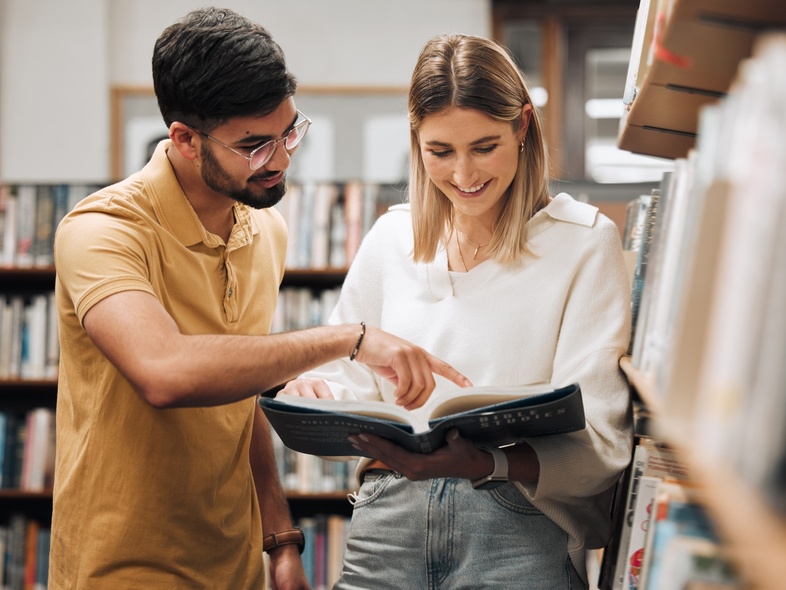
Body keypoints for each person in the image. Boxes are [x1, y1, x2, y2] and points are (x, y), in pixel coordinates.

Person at [48, 8, 469, 590]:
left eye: (290, 132)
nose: (281, 159)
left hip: (237, 561)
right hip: (124, 566)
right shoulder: (102, 231)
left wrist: (280, 539)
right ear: (186, 140)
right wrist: (351, 339)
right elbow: (166, 373)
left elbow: (238, 390)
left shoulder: (263, 229)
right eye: (254, 146)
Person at [280, 33, 633, 589]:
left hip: (514, 525)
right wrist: (316, 394)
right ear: (416, 140)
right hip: (386, 519)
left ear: (522, 126)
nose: (464, 175)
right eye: (439, 152)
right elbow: (343, 383)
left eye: (484, 147)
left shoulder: (585, 244)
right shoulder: (390, 236)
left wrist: (485, 463)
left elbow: (602, 446)